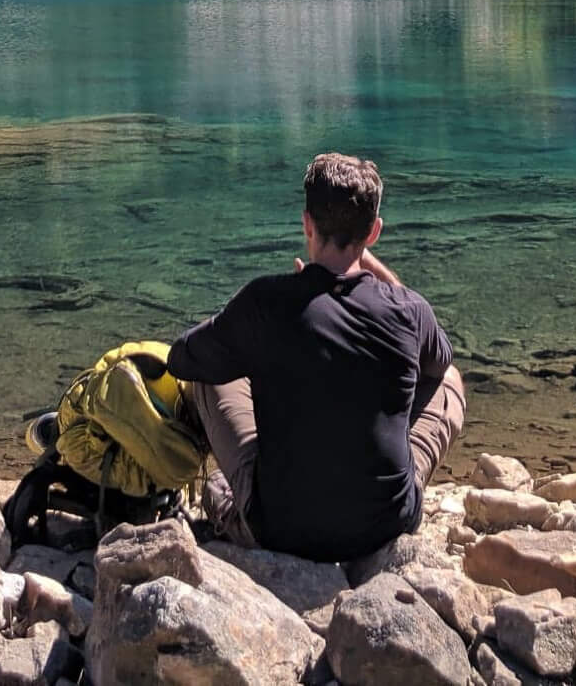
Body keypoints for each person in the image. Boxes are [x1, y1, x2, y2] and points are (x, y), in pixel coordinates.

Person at [166, 153, 466, 563]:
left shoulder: (266, 302)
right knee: (449, 378)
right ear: (375, 232)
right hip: (388, 521)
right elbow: (439, 358)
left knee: (213, 371)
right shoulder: (409, 310)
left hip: (281, 530)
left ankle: (224, 501)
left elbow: (183, 359)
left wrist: (259, 337)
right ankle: (379, 458)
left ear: (307, 223)